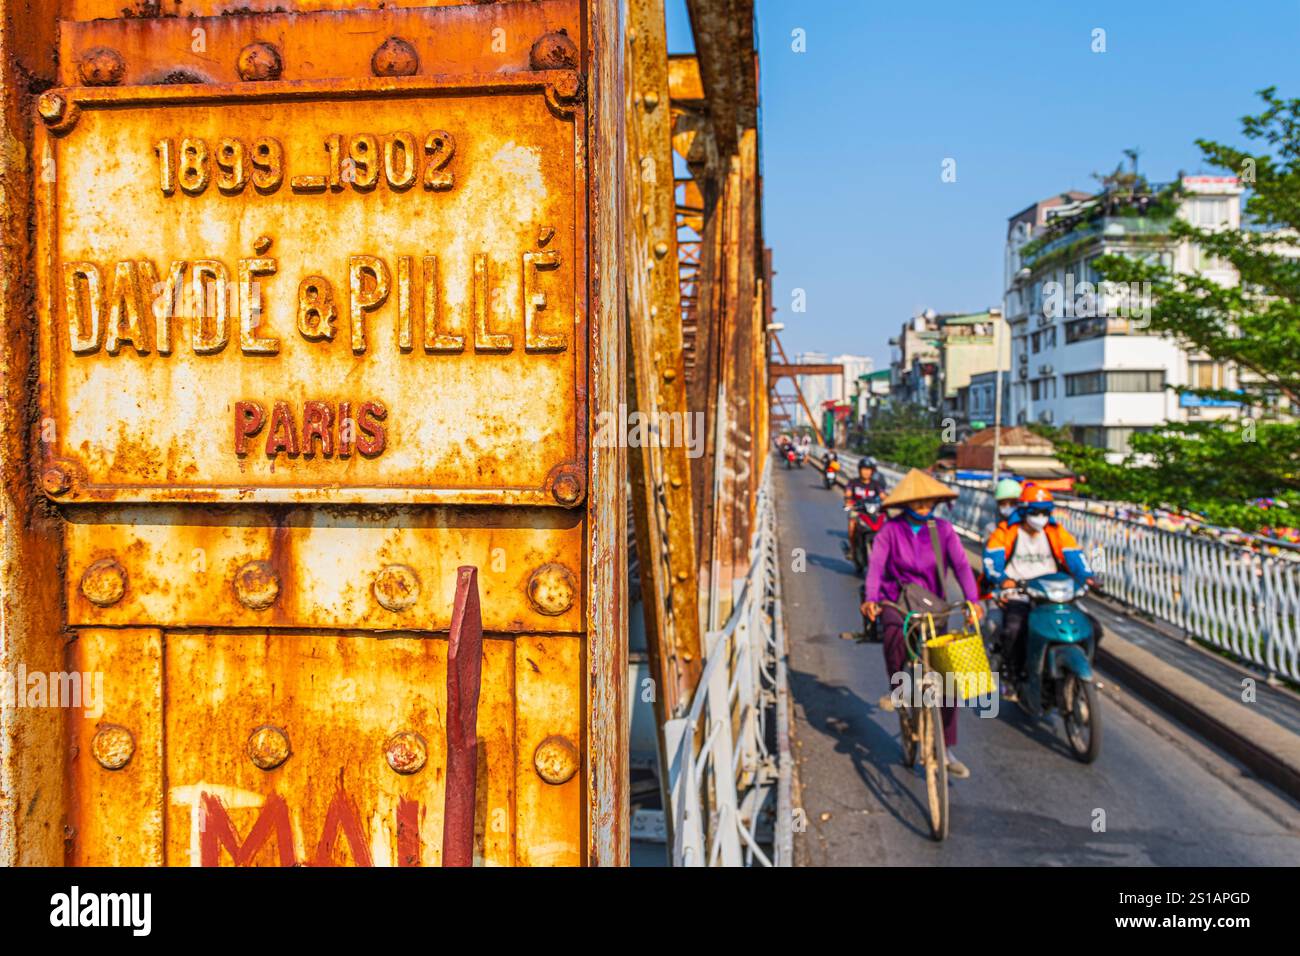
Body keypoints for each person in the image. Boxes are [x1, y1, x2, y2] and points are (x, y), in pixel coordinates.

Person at [860, 469, 983, 779]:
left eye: (929, 500)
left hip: (933, 606)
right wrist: (871, 597)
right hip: (897, 601)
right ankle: (900, 689)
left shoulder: (943, 530)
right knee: (893, 634)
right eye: (918, 500)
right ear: (908, 502)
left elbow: (962, 567)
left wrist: (973, 602)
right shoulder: (890, 530)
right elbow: (875, 566)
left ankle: (947, 748)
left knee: (949, 678)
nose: (924, 505)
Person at [982, 485, 1094, 681]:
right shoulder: (1005, 532)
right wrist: (1003, 580)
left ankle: (1081, 669)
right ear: (1024, 511)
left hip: (1053, 596)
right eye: (1035, 512)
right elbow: (992, 562)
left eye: (1045, 512)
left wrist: (1086, 576)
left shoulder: (1055, 532)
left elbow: (1074, 556)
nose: (1040, 517)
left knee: (1093, 627)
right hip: (1019, 595)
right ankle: (1013, 675)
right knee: (1014, 630)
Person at [843, 456, 888, 552]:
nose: (866, 472)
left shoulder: (876, 484)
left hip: (872, 511)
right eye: (864, 469)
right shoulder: (853, 482)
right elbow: (848, 493)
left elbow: (883, 495)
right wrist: (848, 501)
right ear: (859, 470)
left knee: (886, 525)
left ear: (872, 471)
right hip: (858, 510)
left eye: (868, 469)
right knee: (851, 526)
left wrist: (889, 502)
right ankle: (852, 549)